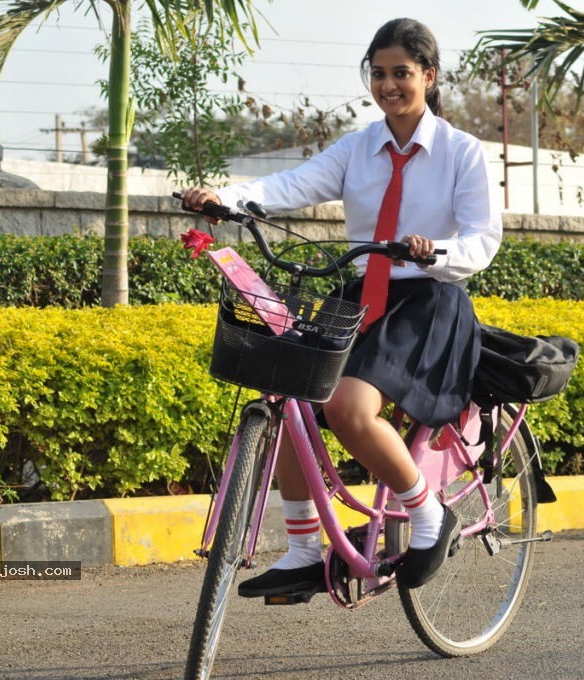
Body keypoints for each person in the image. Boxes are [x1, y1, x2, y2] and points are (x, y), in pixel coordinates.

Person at [179, 17, 502, 594]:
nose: (388, 86)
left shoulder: (462, 152)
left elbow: (482, 240)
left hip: (429, 299)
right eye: (378, 74)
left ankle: (428, 517)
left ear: (428, 76)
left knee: (350, 407)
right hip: (358, 294)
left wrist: (435, 252)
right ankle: (304, 549)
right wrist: (222, 198)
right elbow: (289, 186)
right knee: (291, 394)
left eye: (401, 73)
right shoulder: (358, 149)